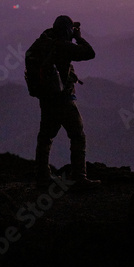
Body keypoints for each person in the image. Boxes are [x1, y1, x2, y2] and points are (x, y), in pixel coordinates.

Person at [34, 15, 101, 189]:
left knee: (45, 137)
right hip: (64, 100)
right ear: (66, 30)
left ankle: (42, 176)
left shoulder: (43, 43)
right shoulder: (63, 47)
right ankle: (79, 177)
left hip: (46, 99)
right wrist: (78, 37)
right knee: (78, 136)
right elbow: (89, 53)